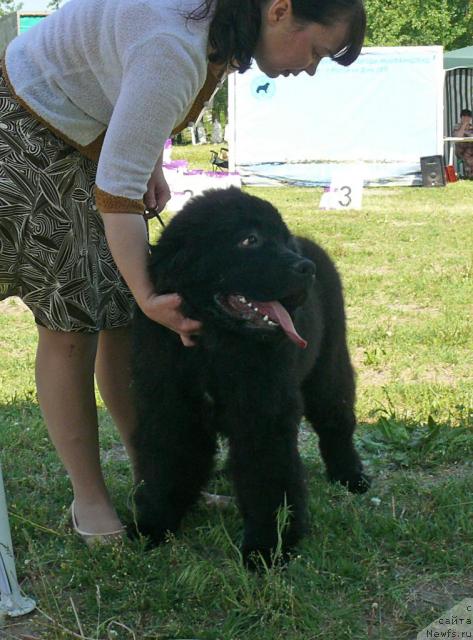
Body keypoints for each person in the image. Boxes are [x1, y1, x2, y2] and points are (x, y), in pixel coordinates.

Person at [0, 0, 366, 544]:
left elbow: (130, 89)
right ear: (281, 10)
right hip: (28, 132)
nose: (309, 68)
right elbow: (116, 192)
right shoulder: (177, 45)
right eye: (315, 50)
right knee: (72, 321)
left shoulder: (216, 25)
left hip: (81, 128)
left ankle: (161, 481)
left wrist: (147, 159)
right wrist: (150, 296)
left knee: (117, 316)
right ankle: (91, 500)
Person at [453, 108, 473, 179]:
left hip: (471, 149)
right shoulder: (457, 126)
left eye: (468, 116)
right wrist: (464, 125)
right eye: (464, 116)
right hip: (461, 150)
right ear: (461, 117)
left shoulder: (472, 127)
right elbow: (458, 137)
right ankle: (470, 175)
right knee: (468, 156)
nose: (466, 118)